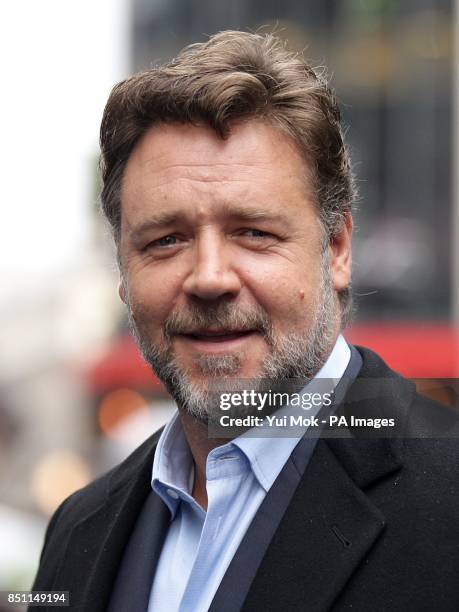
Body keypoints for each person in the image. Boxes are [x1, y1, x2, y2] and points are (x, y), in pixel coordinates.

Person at [31, 31, 459, 611]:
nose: (210, 278)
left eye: (254, 233)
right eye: (166, 240)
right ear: (123, 270)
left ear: (336, 248)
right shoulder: (78, 530)